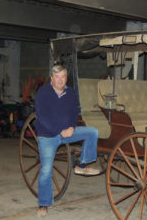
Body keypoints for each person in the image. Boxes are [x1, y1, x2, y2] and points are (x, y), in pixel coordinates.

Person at [35, 65, 99, 217]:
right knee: (46, 170)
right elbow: (43, 117)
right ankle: (43, 204)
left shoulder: (70, 92)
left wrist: (71, 127)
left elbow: (73, 112)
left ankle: (82, 164)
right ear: (52, 78)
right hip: (48, 136)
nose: (60, 80)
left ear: (66, 78)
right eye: (57, 77)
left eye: (63, 77)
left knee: (92, 132)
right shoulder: (43, 92)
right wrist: (60, 130)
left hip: (67, 132)